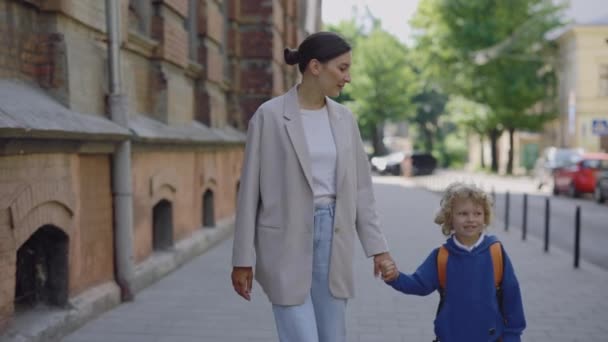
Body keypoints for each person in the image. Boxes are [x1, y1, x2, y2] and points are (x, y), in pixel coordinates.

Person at [230, 31, 394, 342]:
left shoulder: (345, 120)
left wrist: (379, 250)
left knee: (332, 336)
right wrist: (242, 259)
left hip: (334, 237)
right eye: (342, 68)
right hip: (285, 240)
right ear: (315, 67)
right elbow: (249, 192)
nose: (348, 78)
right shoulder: (270, 117)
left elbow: (361, 191)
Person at [380, 182, 526, 342]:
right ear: (449, 218)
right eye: (463, 213)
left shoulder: (496, 252)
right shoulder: (442, 256)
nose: (471, 219)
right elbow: (418, 284)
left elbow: (512, 297)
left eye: (477, 213)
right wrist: (395, 276)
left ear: (485, 216)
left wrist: (513, 336)